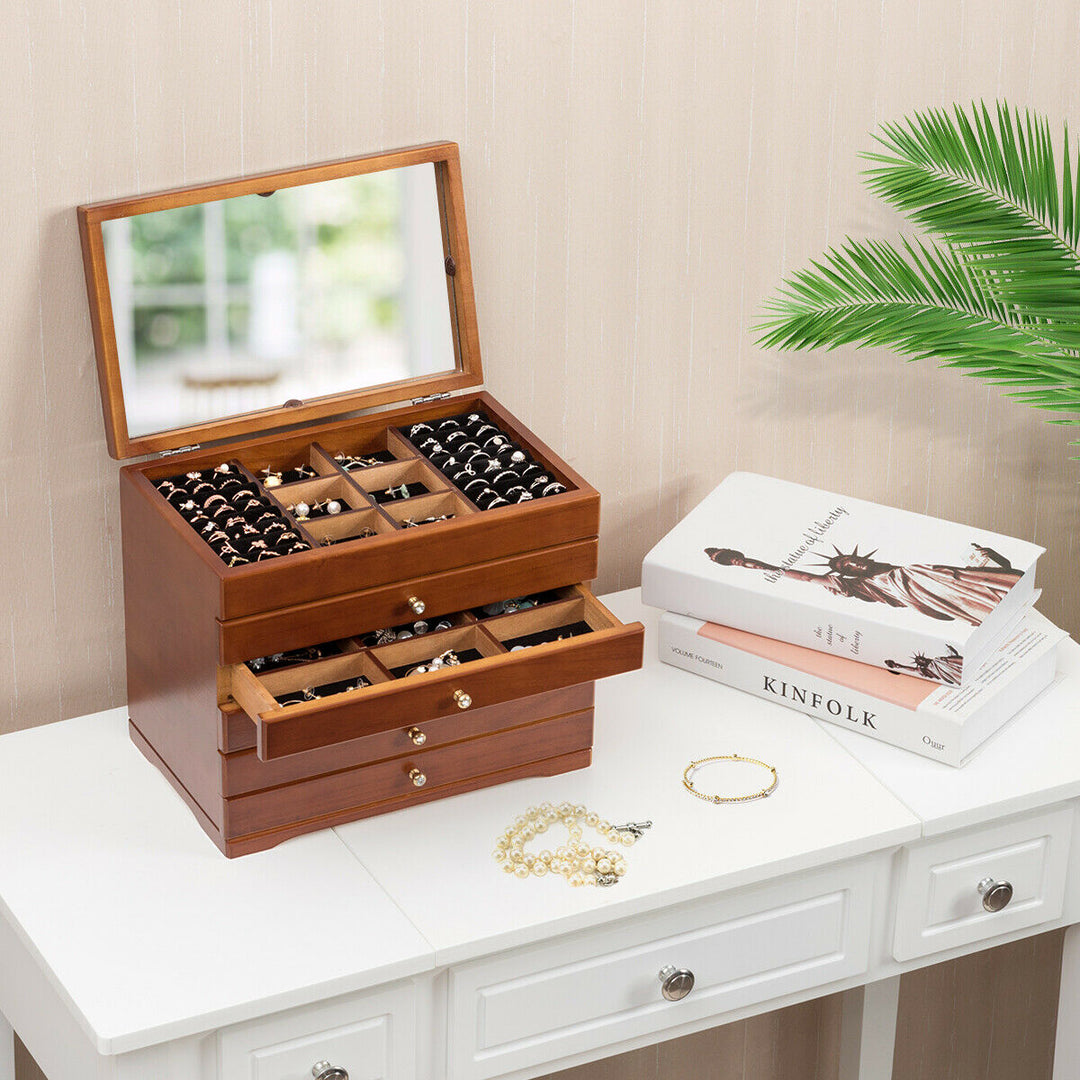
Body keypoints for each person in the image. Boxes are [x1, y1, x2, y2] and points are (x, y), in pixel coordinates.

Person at [703, 543, 1021, 626]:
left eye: (849, 560)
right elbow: (802, 576)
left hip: (985, 583)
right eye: (845, 567)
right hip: (958, 601)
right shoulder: (869, 587)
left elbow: (998, 569)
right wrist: (743, 562)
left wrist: (989, 557)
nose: (852, 564)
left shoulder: (912, 566)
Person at [885, 646, 964, 685]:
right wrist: (897, 666)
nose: (922, 660)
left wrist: (950, 649)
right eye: (919, 661)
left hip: (958, 668)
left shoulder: (938, 659)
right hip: (953, 675)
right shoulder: (926, 670)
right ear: (919, 664)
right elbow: (913, 669)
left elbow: (952, 658)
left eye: (921, 658)